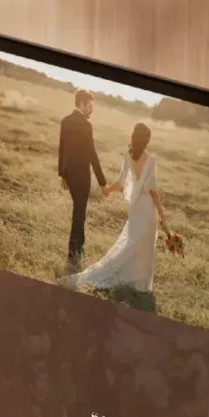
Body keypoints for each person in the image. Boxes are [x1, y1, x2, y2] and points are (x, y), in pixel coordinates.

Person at [60, 122, 165, 294]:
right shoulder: (151, 161)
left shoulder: (128, 155)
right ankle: (139, 283)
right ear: (147, 140)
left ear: (134, 136)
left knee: (130, 242)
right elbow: (153, 191)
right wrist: (161, 214)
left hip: (136, 206)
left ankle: (129, 278)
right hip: (147, 207)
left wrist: (108, 190)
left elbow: (121, 182)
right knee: (144, 245)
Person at [58, 90, 111, 275]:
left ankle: (77, 248)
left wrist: (62, 175)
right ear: (81, 104)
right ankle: (74, 252)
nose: (92, 110)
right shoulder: (86, 126)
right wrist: (103, 183)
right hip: (81, 177)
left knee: (78, 212)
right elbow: (92, 155)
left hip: (69, 175)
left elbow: (62, 149)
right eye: (89, 106)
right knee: (79, 214)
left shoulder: (65, 121)